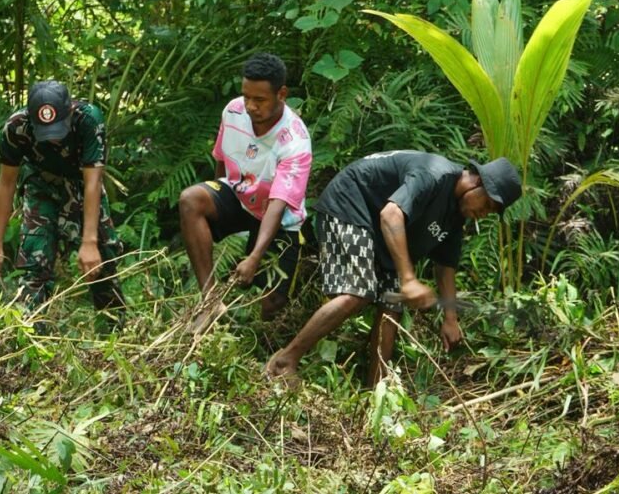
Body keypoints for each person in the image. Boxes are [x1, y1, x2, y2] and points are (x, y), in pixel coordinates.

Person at [266, 150, 522, 385]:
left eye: (491, 212)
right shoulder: (434, 174)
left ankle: (377, 390)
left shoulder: (456, 215)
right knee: (357, 292)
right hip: (350, 203)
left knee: (392, 306)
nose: (484, 213)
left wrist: (450, 318)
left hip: (380, 233)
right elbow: (390, 215)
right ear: (477, 183)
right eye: (487, 205)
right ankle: (283, 362)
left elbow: (445, 266)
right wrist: (408, 279)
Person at [179, 53, 312, 321]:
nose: (250, 106)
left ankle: (262, 341)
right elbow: (221, 162)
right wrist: (215, 211)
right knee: (191, 199)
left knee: (273, 302)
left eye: (259, 100)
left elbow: (277, 205)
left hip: (279, 218)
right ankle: (210, 301)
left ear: (281, 94)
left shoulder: (295, 141)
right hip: (240, 197)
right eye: (246, 96)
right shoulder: (233, 111)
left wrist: (254, 257)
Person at [0, 81, 124, 322]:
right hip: (41, 187)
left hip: (81, 187)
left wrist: (89, 242)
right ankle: (31, 333)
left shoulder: (88, 120)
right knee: (35, 264)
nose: (53, 140)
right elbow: (6, 184)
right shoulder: (16, 128)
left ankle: (114, 329)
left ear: (69, 112)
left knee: (102, 261)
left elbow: (92, 182)